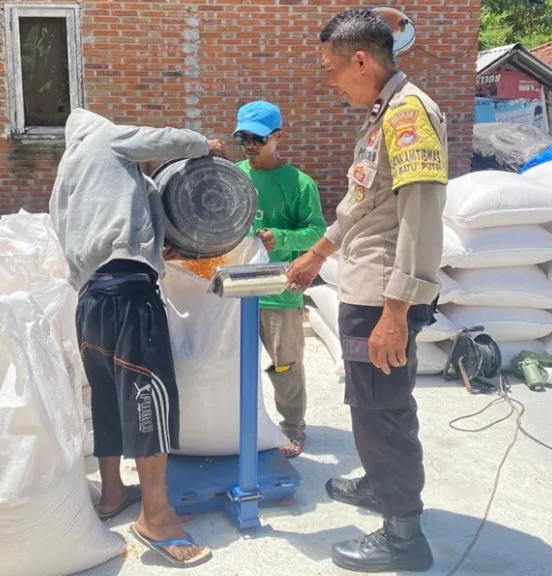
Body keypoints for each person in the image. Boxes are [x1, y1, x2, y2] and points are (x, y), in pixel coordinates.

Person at [286, 8, 448, 573]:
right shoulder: (382, 115)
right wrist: (317, 254)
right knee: (370, 404)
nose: (331, 82)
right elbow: (364, 202)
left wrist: (396, 312)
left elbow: (421, 215)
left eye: (333, 70)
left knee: (383, 412)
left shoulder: (408, 117)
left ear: (361, 60)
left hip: (385, 295)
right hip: (366, 286)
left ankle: (404, 536)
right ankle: (383, 486)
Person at [50, 108, 224, 568]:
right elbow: (161, 138)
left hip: (90, 302)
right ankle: (157, 516)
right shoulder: (106, 139)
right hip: (130, 295)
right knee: (149, 397)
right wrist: (204, 144)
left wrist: (153, 242)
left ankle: (112, 493)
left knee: (107, 396)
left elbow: (94, 229)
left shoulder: (68, 174)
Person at [232, 100, 327, 459]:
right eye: (243, 138)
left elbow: (318, 231)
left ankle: (291, 426)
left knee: (283, 364)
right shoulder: (235, 176)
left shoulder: (299, 184)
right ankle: (238, 424)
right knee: (230, 363)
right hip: (237, 287)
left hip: (279, 290)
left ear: (278, 137)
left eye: (257, 138)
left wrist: (282, 239)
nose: (249, 146)